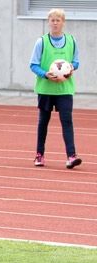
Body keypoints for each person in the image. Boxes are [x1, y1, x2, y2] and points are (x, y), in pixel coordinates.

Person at [30, 8, 82, 169]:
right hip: (46, 88)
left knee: (67, 121)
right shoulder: (41, 42)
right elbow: (33, 65)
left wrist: (70, 69)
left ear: (63, 22)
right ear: (48, 22)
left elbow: (76, 62)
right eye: (52, 20)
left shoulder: (72, 41)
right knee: (43, 122)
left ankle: (71, 156)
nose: (55, 23)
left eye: (58, 20)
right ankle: (39, 155)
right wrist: (46, 74)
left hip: (64, 89)